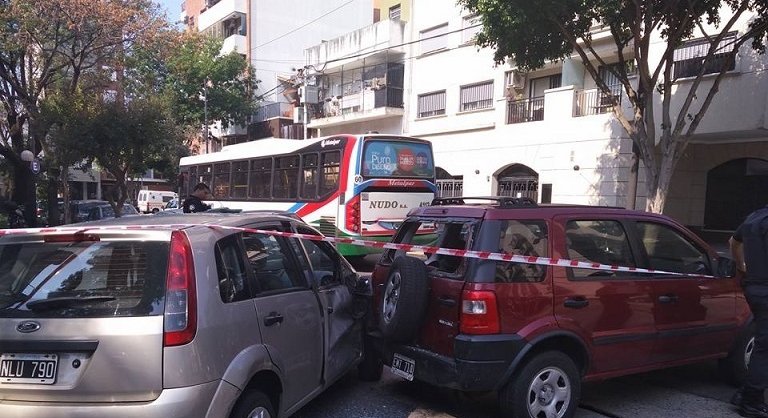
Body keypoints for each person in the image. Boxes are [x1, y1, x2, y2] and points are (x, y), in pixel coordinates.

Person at [730, 206, 768, 418]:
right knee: (765, 347)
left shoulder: (754, 217)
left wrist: (741, 266)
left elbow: (733, 242)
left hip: (753, 287)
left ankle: (745, 393)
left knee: (763, 343)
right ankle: (751, 401)